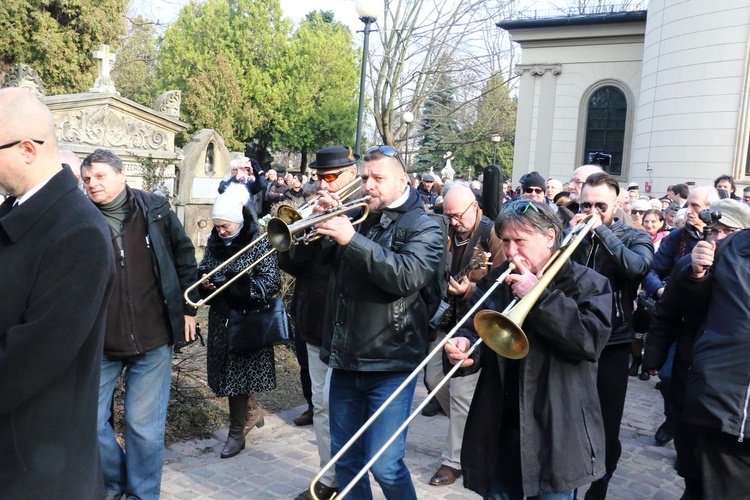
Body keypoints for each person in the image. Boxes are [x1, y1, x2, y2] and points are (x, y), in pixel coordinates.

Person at [445, 199, 613, 499]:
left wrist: (539, 296)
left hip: (555, 432)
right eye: (506, 241)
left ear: (550, 236)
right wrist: (464, 346)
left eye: (519, 241)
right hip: (500, 427)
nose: (510, 251)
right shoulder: (497, 280)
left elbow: (589, 341)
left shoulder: (590, 283)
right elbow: (472, 326)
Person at [304, 145, 443, 498]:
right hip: (347, 358)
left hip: (392, 361)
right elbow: (307, 267)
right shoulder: (360, 214)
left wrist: (351, 238)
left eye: (378, 178)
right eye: (366, 177)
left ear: (403, 180)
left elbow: (406, 276)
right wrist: (316, 225)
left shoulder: (426, 225)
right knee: (347, 458)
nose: (369, 185)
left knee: (385, 464)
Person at [0, 88, 115, 498]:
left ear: (27, 149)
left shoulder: (78, 231)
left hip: (37, 465)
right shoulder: (16, 211)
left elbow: (30, 359)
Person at [80, 148, 199, 499]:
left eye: (100, 176)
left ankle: (143, 494)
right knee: (88, 422)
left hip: (152, 338)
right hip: (101, 342)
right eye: (87, 179)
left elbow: (184, 256)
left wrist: (188, 308)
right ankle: (115, 486)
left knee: (143, 428)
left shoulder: (154, 209)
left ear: (121, 175)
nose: (92, 184)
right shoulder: (82, 217)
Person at [643, 197, 750, 498]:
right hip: (692, 375)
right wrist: (654, 355)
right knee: (691, 463)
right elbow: (669, 313)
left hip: (722, 389)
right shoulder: (689, 263)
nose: (715, 239)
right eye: (712, 231)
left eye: (724, 232)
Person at [279, 145, 360, 500]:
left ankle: (355, 475)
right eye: (321, 177)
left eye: (331, 177)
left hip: (352, 328)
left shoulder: (366, 210)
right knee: (322, 404)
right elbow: (295, 265)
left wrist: (340, 224)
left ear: (351, 173)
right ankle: (330, 477)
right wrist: (297, 234)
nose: (325, 184)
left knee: (352, 408)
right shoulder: (318, 207)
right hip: (315, 319)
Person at [569, 172, 654, 499]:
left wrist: (600, 230)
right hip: (575, 336)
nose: (591, 210)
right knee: (572, 420)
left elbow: (638, 269)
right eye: (586, 204)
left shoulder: (634, 236)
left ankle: (600, 485)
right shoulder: (575, 233)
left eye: (600, 205)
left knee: (606, 423)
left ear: (616, 204)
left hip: (614, 342)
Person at [423, 183, 506, 487]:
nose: (453, 222)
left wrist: (470, 289)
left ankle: (453, 461)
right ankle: (473, 430)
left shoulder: (492, 235)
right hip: (444, 320)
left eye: (457, 216)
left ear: (474, 207)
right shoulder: (444, 231)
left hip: (473, 325)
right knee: (433, 379)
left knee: (460, 392)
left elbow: (502, 281)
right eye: (448, 216)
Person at [198, 184, 279, 459]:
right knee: (225, 376)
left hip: (247, 321)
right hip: (221, 319)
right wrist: (205, 282)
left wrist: (239, 286)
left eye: (225, 227)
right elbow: (205, 267)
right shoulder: (215, 242)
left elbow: (271, 282)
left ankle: (236, 432)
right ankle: (251, 412)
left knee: (236, 378)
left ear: (239, 221)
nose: (220, 231)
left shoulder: (260, 242)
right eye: (217, 226)